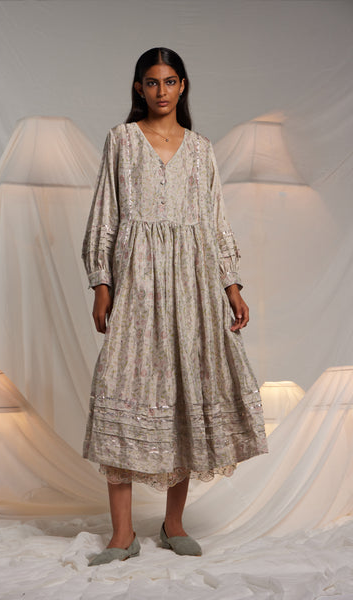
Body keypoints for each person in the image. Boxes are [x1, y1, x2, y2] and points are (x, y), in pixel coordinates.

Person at [81, 47, 269, 566]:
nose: (160, 90)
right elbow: (105, 214)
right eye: (151, 81)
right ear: (138, 87)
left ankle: (173, 523)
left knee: (186, 391)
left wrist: (232, 285)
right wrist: (102, 284)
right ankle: (122, 535)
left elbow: (215, 221)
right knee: (121, 390)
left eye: (169, 81)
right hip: (136, 281)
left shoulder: (202, 149)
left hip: (193, 283)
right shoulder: (121, 141)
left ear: (182, 86)